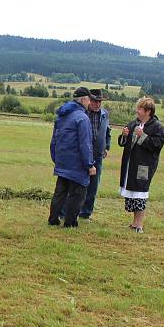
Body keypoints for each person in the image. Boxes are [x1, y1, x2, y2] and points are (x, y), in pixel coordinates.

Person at [48, 87, 96, 228]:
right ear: (83, 100)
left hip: (62, 160)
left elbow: (54, 140)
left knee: (60, 192)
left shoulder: (62, 116)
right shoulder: (82, 118)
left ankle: (53, 219)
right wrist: (89, 164)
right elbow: (85, 144)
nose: (90, 102)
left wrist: (56, 158)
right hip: (77, 164)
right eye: (89, 99)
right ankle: (70, 222)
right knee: (78, 193)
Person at [118, 96, 164, 233]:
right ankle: (134, 223)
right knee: (132, 192)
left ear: (148, 111)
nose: (137, 111)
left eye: (140, 108)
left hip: (145, 166)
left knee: (140, 193)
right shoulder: (133, 124)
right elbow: (123, 143)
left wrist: (143, 136)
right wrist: (124, 135)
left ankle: (139, 224)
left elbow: (157, 146)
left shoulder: (158, 127)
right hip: (130, 164)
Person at [78, 89, 111, 219]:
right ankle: (70, 210)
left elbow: (107, 132)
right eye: (94, 101)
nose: (97, 104)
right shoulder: (82, 113)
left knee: (93, 186)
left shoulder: (105, 114)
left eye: (99, 101)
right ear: (88, 100)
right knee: (77, 183)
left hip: (97, 155)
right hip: (82, 153)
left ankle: (86, 213)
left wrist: (107, 146)